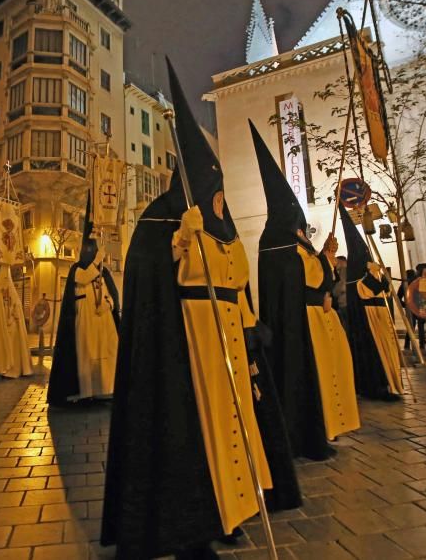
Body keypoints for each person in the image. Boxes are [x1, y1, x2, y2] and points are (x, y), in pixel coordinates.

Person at [101, 60, 299, 560]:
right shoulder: (165, 217)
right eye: (213, 185)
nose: (220, 195)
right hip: (193, 345)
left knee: (238, 424)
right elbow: (153, 286)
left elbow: (239, 286)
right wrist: (180, 239)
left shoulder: (227, 227)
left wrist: (253, 329)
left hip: (233, 338)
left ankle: (234, 509)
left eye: (222, 186)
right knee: (203, 429)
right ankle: (195, 522)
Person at [250, 120, 359, 461]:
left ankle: (326, 425)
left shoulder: (293, 244)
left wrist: (322, 257)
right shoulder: (278, 244)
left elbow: (315, 276)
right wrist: (324, 260)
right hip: (302, 325)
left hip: (316, 320)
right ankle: (310, 432)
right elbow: (308, 279)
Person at [48, 195, 120, 404]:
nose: (92, 253)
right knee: (86, 354)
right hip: (85, 318)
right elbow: (83, 279)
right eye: (89, 250)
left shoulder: (104, 271)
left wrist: (107, 305)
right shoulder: (77, 269)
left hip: (103, 318)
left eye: (94, 251)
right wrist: (96, 262)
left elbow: (111, 294)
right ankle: (86, 392)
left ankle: (106, 389)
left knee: (106, 353)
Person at [338, 203, 404, 399]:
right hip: (368, 321)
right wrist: (373, 274)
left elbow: (384, 288)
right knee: (375, 355)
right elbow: (364, 291)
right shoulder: (357, 273)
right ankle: (379, 387)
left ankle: (390, 383)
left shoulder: (366, 270)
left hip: (379, 316)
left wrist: (379, 275)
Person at [0, 262, 33, 378]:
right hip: (0, 327)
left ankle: (12, 369)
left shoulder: (13, 295)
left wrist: (13, 314)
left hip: (11, 327)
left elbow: (17, 311)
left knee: (12, 344)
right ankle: (0, 368)